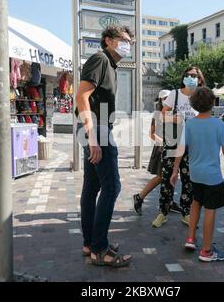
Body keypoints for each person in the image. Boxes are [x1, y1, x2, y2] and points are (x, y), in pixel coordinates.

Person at [75, 25, 134, 268]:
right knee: (112, 186)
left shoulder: (110, 64)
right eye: (123, 39)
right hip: (96, 130)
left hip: (98, 128)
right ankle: (100, 249)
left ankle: (91, 243)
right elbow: (81, 96)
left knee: (92, 187)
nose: (128, 44)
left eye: (130, 41)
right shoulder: (100, 59)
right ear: (108, 40)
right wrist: (92, 136)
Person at [170, 87, 224, 262]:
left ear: (194, 103)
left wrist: (174, 171)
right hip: (212, 177)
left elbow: (181, 148)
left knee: (196, 203)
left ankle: (190, 238)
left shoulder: (190, 124)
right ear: (213, 103)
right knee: (210, 210)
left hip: (195, 175)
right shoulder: (218, 124)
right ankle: (207, 250)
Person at [152, 66, 206, 228]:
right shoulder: (175, 94)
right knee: (168, 178)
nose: (190, 77)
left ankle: (186, 213)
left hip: (192, 144)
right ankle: (163, 212)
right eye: (188, 75)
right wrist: (172, 119)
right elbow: (161, 115)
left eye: (194, 75)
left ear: (200, 79)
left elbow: (205, 117)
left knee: (189, 180)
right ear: (183, 77)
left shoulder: (200, 96)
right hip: (173, 143)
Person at [133, 89, 171, 216]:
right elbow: (151, 134)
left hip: (172, 147)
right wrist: (163, 141)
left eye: (169, 98)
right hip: (161, 148)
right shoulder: (157, 114)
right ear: (160, 100)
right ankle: (139, 197)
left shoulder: (173, 113)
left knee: (170, 176)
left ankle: (169, 202)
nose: (167, 100)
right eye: (164, 98)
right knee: (160, 177)